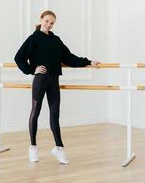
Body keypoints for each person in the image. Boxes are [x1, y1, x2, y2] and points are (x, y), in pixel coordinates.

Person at [14, 10, 100, 164]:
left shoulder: (56, 40)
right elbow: (18, 57)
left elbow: (69, 58)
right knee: (36, 111)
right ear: (41, 20)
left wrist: (89, 61)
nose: (49, 24)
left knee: (55, 115)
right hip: (40, 80)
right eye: (47, 21)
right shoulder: (33, 39)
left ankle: (59, 148)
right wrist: (31, 70)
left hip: (53, 81)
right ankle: (33, 147)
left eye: (52, 23)